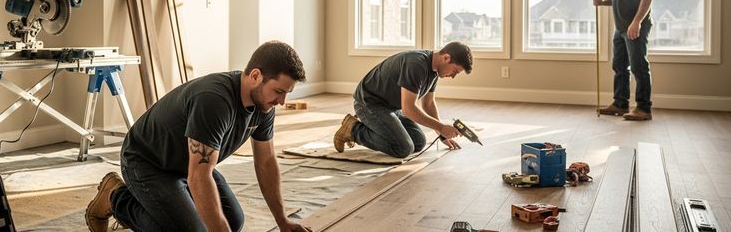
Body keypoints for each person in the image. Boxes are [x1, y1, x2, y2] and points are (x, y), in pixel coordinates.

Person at [85, 41, 313, 232]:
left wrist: (282, 221)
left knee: (233, 222)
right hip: (147, 162)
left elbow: (266, 162)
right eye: (279, 92)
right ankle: (116, 197)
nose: (281, 102)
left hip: (185, 166)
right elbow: (199, 176)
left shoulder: (264, 106)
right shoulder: (214, 100)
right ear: (255, 76)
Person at [333, 42, 474, 158]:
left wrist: (441, 133)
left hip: (391, 108)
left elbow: (428, 103)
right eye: (455, 71)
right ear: (446, 58)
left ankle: (378, 128)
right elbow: (409, 108)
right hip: (369, 103)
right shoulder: (416, 64)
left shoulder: (435, 72)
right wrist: (441, 127)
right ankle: (354, 130)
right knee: (403, 148)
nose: (453, 76)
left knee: (419, 142)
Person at [593, 0, 654, 121]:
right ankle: (620, 104)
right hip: (620, 28)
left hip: (635, 27)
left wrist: (636, 22)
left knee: (638, 66)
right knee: (619, 66)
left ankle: (644, 109)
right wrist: (603, 2)